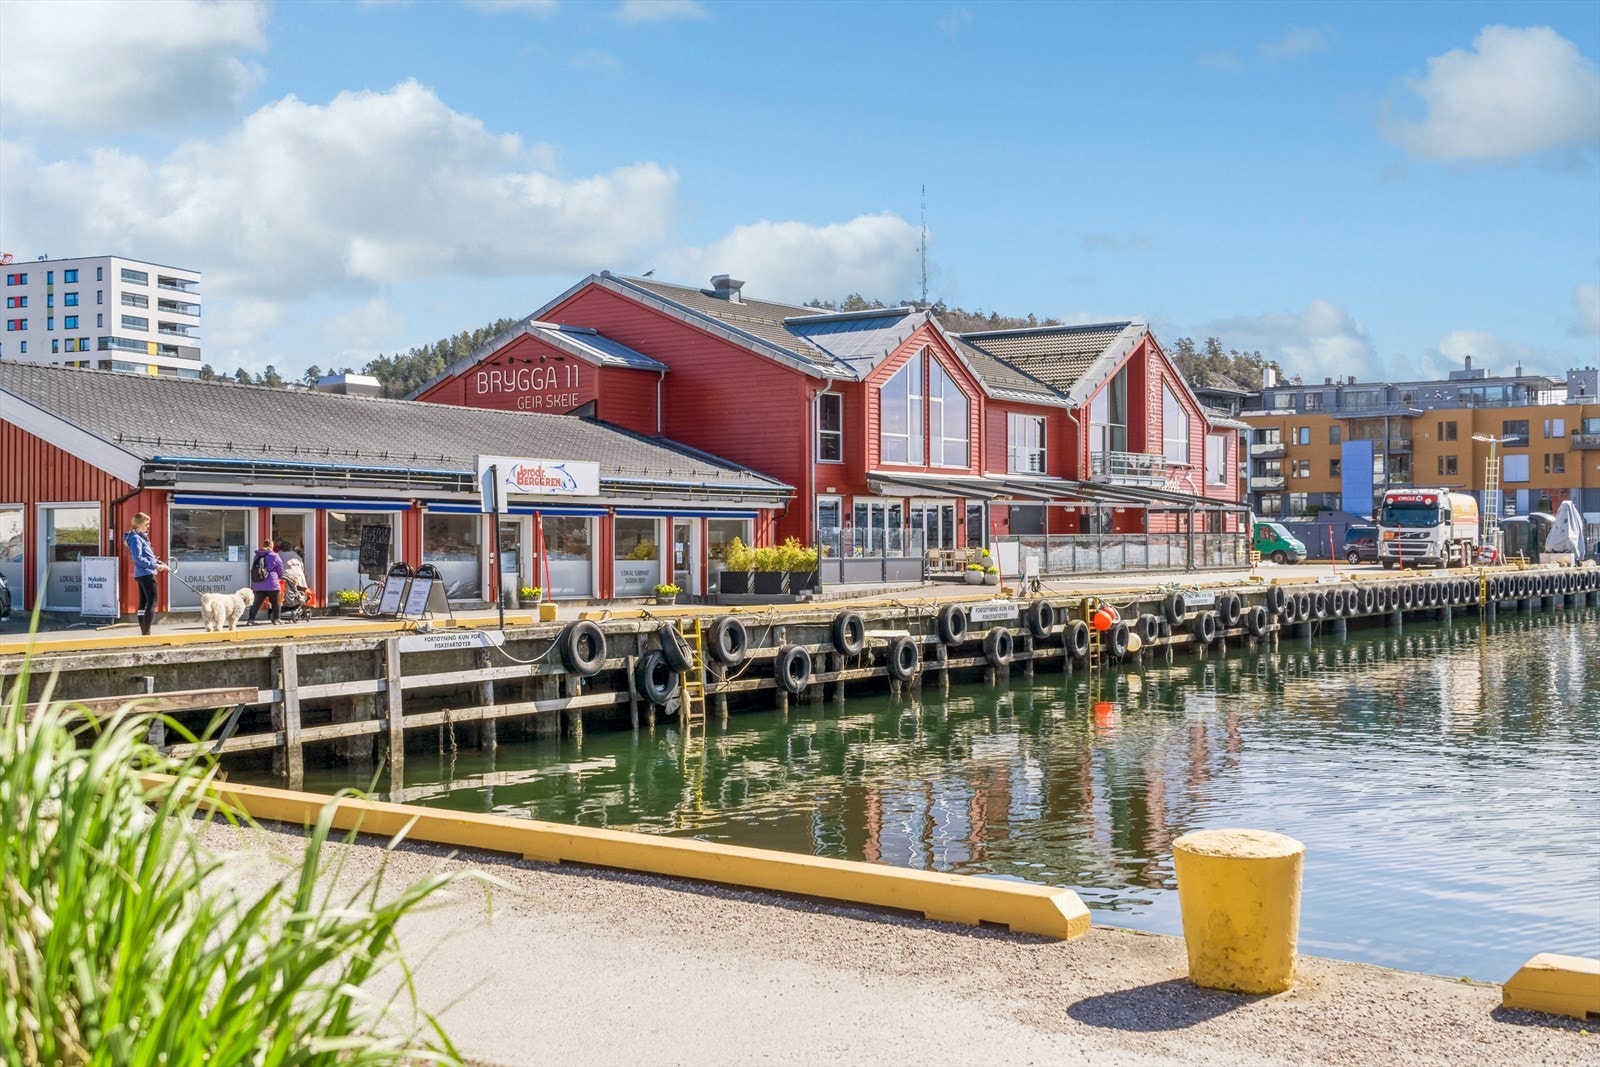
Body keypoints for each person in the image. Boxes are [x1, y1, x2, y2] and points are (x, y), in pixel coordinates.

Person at [122, 512, 166, 636]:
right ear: (140, 524)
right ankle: (146, 632)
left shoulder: (140, 537)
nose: (148, 526)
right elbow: (138, 558)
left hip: (142, 573)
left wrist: (159, 562)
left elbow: (148, 556)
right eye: (147, 524)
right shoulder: (136, 538)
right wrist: (155, 566)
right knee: (152, 602)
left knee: (143, 603)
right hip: (146, 573)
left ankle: (144, 632)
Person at [247, 538, 285, 625]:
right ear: (271, 546)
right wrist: (279, 576)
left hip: (257, 583)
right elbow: (280, 568)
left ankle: (250, 620)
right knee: (276, 603)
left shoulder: (257, 555)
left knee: (256, 603)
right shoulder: (274, 555)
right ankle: (276, 619)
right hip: (272, 583)